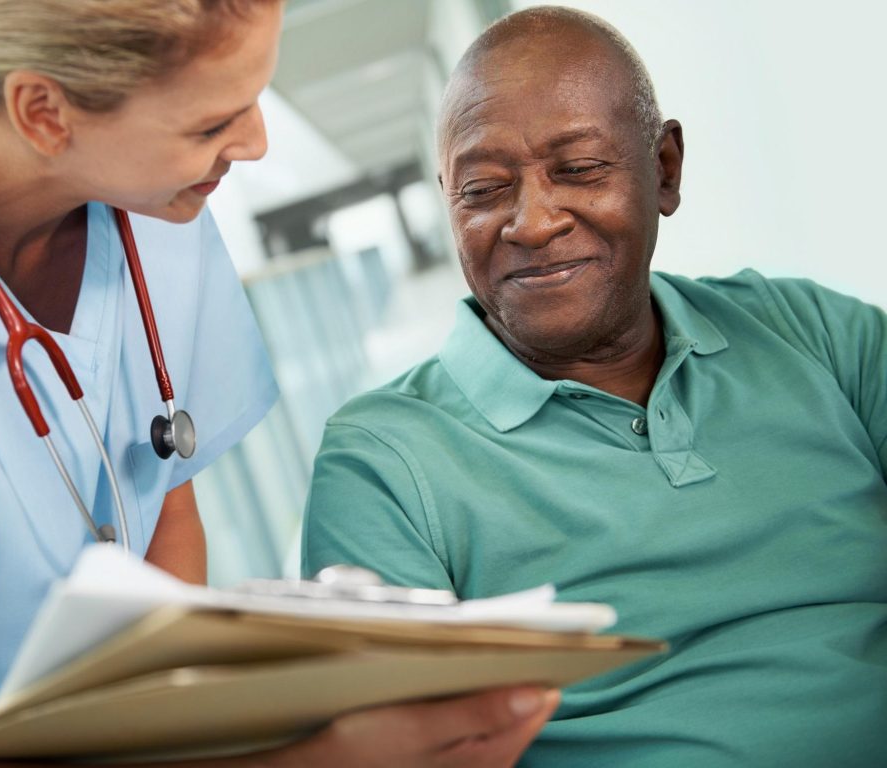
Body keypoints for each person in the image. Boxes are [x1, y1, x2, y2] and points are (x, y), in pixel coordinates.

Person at [0, 1, 562, 766]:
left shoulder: (158, 209)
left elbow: (166, 503)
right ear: (44, 112)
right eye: (208, 126)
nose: (254, 143)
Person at [303, 5, 887, 767]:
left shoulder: (818, 335)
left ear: (665, 168)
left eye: (578, 170)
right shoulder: (382, 464)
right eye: (483, 189)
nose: (533, 221)